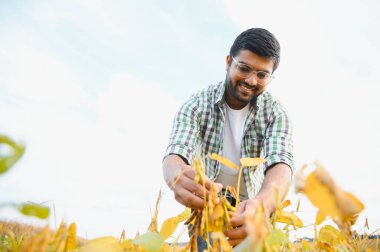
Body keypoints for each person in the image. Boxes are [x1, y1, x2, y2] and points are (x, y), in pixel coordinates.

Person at [162, 28, 294, 248]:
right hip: (209, 206)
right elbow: (176, 153)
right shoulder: (197, 105)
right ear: (228, 62)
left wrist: (262, 205)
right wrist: (177, 175)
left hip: (255, 202)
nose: (252, 80)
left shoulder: (275, 113)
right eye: (244, 68)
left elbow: (281, 164)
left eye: (262, 75)